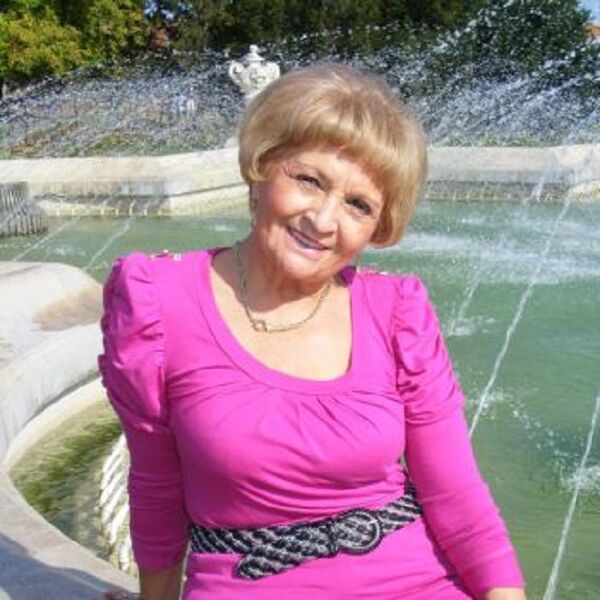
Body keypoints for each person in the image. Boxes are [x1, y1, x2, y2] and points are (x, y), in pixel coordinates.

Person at [98, 64, 526, 600]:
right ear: (262, 164)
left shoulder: (397, 312)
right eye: (309, 180)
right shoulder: (158, 301)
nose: (323, 220)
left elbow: (457, 497)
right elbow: (156, 485)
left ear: (378, 227)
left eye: (358, 205)